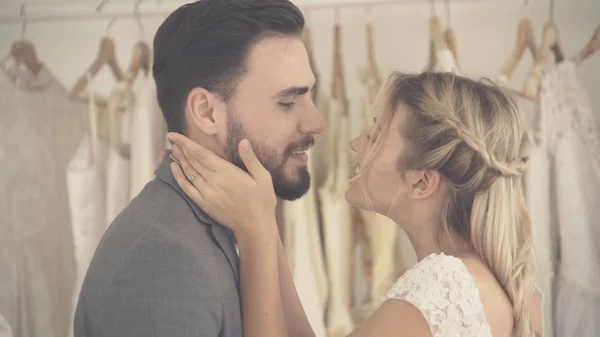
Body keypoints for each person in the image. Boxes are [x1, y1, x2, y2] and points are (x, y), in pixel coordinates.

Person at [168, 71, 546, 337]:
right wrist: (265, 222)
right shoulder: (502, 287)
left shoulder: (442, 287)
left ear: (422, 181)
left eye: (376, 135)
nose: (356, 144)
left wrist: (254, 234)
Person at [73, 1, 323, 336]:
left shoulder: (235, 221)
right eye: (287, 102)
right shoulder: (165, 260)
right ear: (206, 112)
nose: (317, 122)